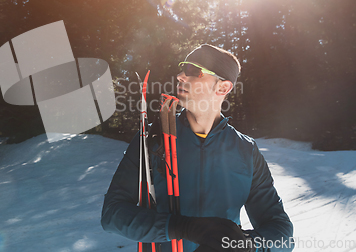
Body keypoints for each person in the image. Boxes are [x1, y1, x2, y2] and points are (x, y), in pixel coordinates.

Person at [101, 44, 294, 252]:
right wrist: (181, 227)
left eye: (193, 70)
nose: (180, 76)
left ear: (223, 88)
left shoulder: (246, 151)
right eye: (183, 68)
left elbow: (281, 232)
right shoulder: (152, 139)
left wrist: (244, 245)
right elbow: (112, 214)